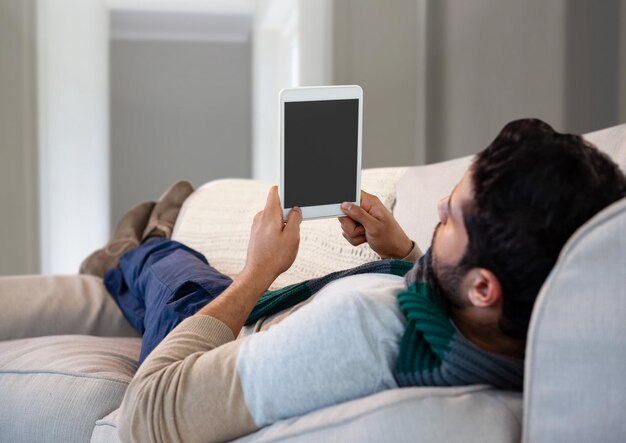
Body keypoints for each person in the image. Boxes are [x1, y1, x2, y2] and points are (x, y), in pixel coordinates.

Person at [76, 119, 626, 442]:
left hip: (241, 331)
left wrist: (259, 271)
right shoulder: (537, 342)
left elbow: (147, 412)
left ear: (483, 288)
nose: (438, 205)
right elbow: (461, 330)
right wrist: (408, 252)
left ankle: (136, 238)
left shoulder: (363, 331)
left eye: (452, 216)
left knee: (166, 266)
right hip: (294, 304)